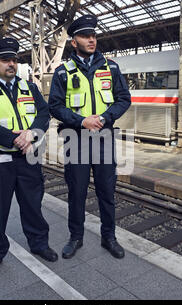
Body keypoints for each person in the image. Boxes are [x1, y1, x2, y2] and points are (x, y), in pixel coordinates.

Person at [0, 37, 58, 279]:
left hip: (28, 157)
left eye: (14, 60)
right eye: (5, 60)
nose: (11, 64)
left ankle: (39, 244)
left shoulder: (29, 88)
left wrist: (31, 134)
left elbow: (44, 114)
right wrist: (14, 140)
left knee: (33, 204)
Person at [48, 15, 131, 259]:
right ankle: (76, 238)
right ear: (74, 42)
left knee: (107, 191)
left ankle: (109, 238)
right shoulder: (63, 72)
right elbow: (54, 106)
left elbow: (124, 99)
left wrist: (105, 118)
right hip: (76, 140)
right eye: (85, 36)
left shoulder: (111, 67)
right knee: (77, 192)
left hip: (104, 137)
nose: (92, 39)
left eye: (94, 35)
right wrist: (82, 120)